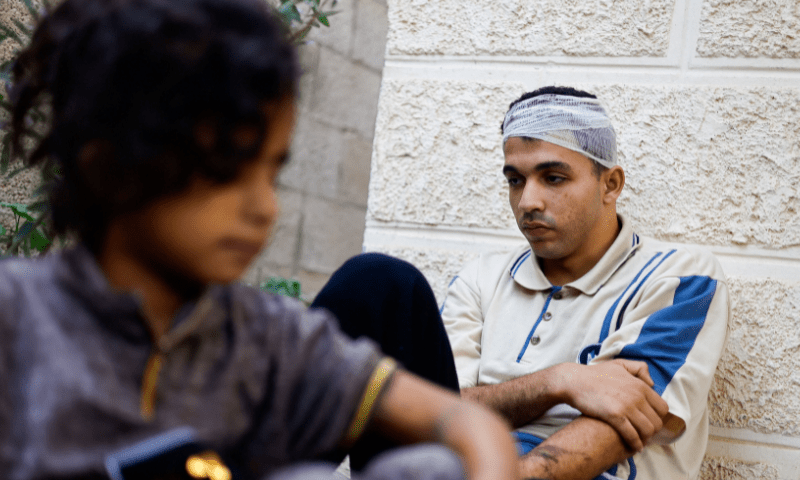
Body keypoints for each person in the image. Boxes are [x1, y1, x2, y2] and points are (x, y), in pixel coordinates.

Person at [0, 0, 518, 479]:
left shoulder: (265, 337)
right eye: (226, 171)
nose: (264, 207)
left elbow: (470, 427)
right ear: (109, 164)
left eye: (271, 173)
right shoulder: (19, 319)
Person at [439, 86, 730, 480]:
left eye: (553, 177)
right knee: (381, 282)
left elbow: (629, 419)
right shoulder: (481, 278)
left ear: (610, 184)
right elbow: (434, 410)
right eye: (515, 180)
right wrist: (560, 381)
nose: (528, 202)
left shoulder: (680, 277)